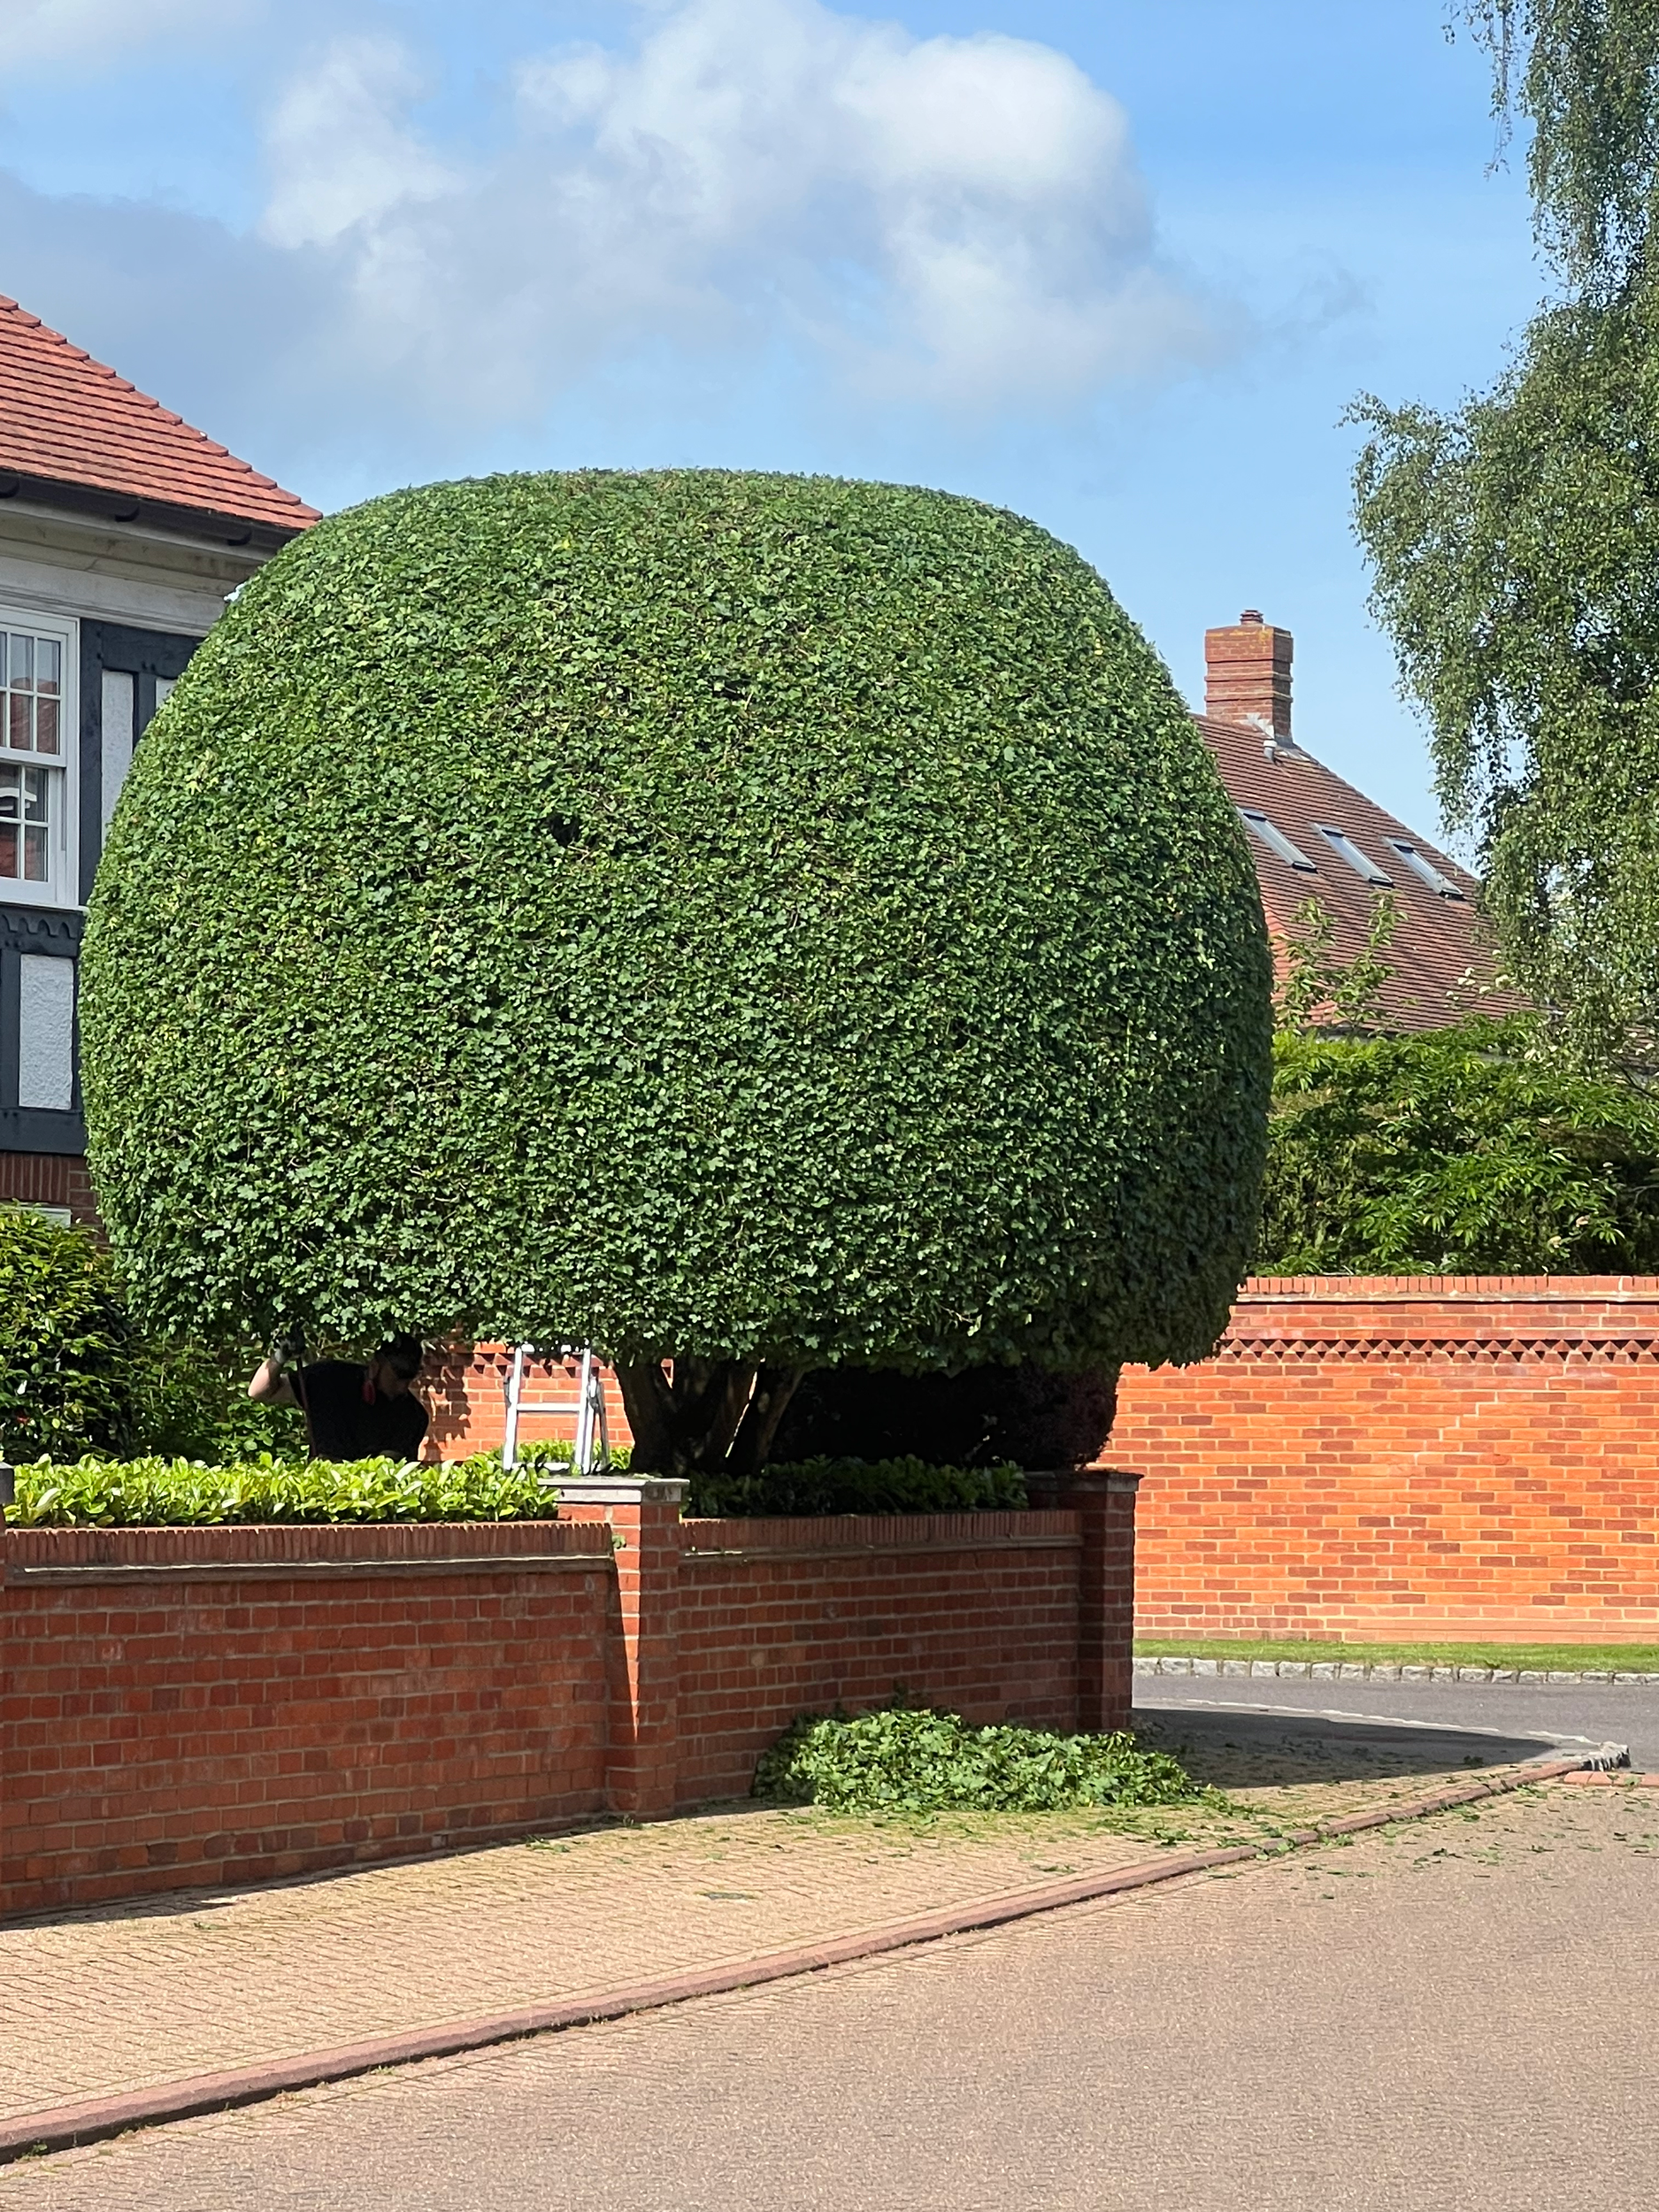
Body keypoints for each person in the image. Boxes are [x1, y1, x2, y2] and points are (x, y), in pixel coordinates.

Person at [249, 1334, 430, 1462]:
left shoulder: (412, 1416)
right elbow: (259, 1391)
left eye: (410, 1376)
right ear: (376, 1366)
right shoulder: (328, 1378)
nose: (403, 1386)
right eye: (399, 1374)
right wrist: (280, 1356)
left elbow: (383, 1469)